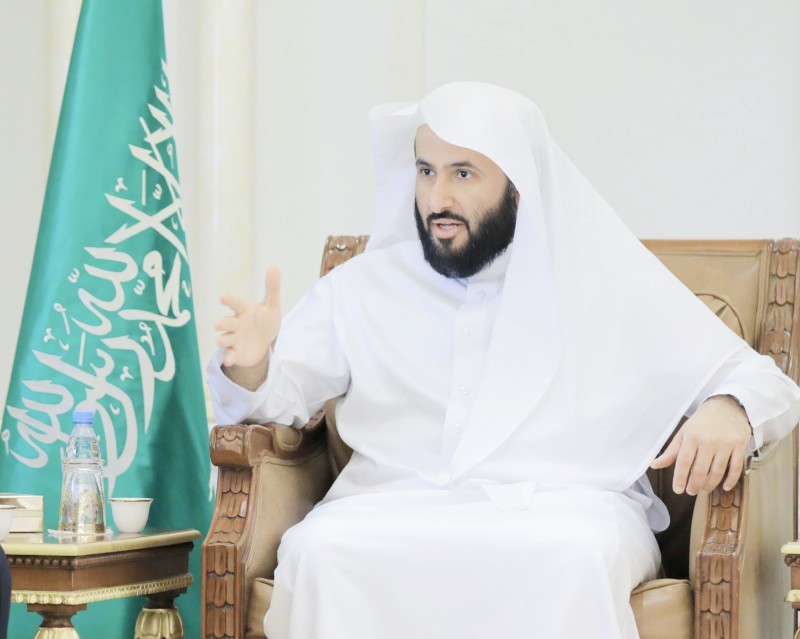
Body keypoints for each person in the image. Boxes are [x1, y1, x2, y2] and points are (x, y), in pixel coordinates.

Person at [207, 82, 800, 639]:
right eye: (426, 171)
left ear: (518, 185)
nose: (438, 198)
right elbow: (277, 401)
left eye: (463, 173)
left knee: (572, 555)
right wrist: (252, 364)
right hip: (384, 505)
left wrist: (729, 408)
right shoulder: (363, 285)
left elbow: (765, 383)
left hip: (565, 508)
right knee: (318, 551)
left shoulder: (604, 283)